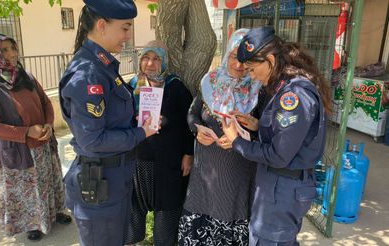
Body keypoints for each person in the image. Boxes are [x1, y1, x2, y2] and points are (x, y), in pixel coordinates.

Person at [58, 1, 158, 245]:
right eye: (124, 28)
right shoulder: (88, 73)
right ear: (102, 26)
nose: (129, 35)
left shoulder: (103, 67)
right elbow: (93, 139)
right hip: (99, 186)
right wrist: (140, 133)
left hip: (113, 180)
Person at [222, 26, 331, 245]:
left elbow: (278, 155)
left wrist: (236, 141)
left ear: (270, 59)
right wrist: (258, 125)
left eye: (252, 69)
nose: (251, 75)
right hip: (279, 185)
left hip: (282, 187)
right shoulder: (284, 87)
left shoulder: (293, 96)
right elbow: (288, 136)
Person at [0, 33, 71, 241]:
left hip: (43, 142)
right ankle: (33, 224)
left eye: (13, 48)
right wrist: (26, 131)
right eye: (4, 50)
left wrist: (48, 124)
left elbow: (46, 102)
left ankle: (55, 212)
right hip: (19, 148)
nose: (11, 54)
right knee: (28, 187)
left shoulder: (25, 76)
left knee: (48, 179)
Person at [178, 29, 261, 246]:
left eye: (246, 60)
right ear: (227, 55)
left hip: (238, 173)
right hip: (205, 174)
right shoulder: (210, 81)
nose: (239, 65)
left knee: (231, 217)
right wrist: (197, 129)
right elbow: (193, 113)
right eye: (235, 56)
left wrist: (244, 138)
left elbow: (265, 131)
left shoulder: (258, 87)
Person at [124, 40, 194, 246]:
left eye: (156, 59)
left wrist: (188, 154)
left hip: (168, 162)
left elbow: (190, 124)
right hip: (138, 159)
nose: (150, 63)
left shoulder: (176, 87)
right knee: (133, 218)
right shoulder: (132, 86)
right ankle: (133, 239)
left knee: (165, 225)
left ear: (163, 62)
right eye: (146, 57)